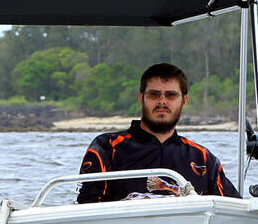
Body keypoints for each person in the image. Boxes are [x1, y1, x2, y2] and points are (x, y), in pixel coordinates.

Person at [76, 63, 237, 202]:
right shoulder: (107, 148)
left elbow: (232, 211)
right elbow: (86, 208)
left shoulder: (202, 158)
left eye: (171, 95)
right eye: (154, 94)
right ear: (141, 98)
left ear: (184, 101)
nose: (162, 101)